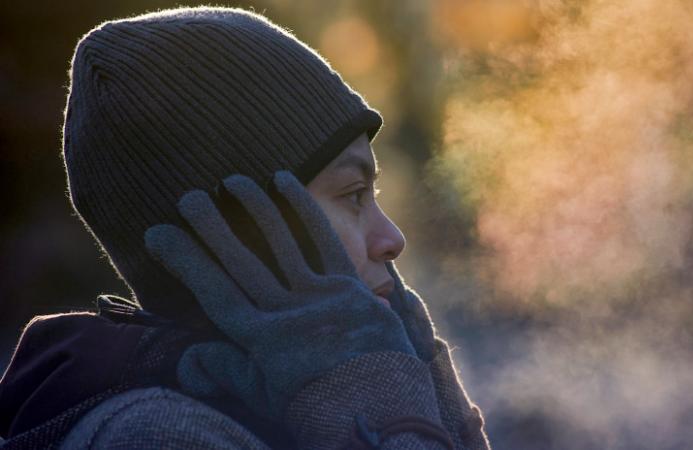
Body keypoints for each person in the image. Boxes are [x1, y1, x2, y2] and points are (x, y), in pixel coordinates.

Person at [0, 7, 490, 450]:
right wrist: (384, 413)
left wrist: (425, 382)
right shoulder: (158, 435)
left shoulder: (278, 396)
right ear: (240, 226)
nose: (393, 239)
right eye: (353, 195)